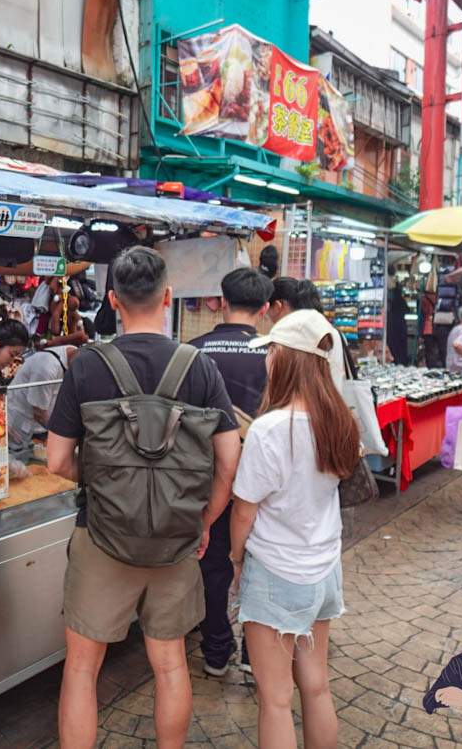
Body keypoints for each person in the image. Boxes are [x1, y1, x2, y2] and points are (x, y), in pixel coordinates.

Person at [46, 246, 240, 749]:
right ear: (167, 297)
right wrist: (204, 520)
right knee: (171, 663)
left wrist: (97, 481)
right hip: (176, 540)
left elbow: (56, 461)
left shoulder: (86, 366)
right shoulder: (198, 367)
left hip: (102, 537)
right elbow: (230, 460)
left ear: (112, 299)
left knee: (82, 670)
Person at [229, 309, 359, 749]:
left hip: (276, 573)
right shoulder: (339, 421)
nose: (267, 359)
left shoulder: (269, 430)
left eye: (272, 351)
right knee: (317, 686)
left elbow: (243, 512)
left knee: (276, 699)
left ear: (287, 359)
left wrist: (234, 560)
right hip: (323, 570)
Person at [187, 267, 272, 677]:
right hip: (265, 482)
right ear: (267, 308)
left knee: (211, 563)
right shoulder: (278, 352)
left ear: (221, 302)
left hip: (209, 479)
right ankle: (257, 657)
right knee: (260, 564)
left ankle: (217, 650)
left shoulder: (191, 352)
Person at [5, 344, 77, 479]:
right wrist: (62, 436)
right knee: (18, 469)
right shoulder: (46, 368)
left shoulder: (72, 351)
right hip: (18, 421)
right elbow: (39, 413)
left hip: (33, 423)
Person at [268, 276, 348, 391]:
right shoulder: (331, 331)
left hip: (305, 407)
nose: (269, 316)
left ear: (278, 306)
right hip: (330, 405)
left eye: (268, 309)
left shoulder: (294, 337)